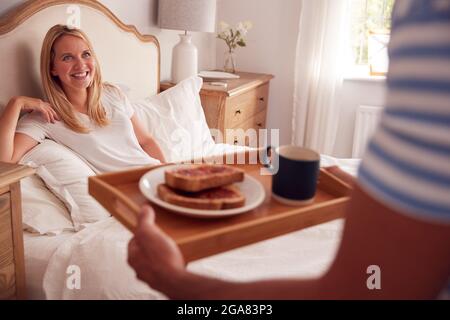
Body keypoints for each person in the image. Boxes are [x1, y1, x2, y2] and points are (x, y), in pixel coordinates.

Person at [127, 0, 450, 299]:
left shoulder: (430, 17)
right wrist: (356, 190)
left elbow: (358, 292)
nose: (80, 65)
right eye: (71, 57)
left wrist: (174, 280)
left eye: (85, 55)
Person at [0, 25, 165, 171]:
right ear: (52, 68)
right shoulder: (46, 117)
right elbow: (5, 161)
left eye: (86, 54)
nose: (81, 65)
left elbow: (146, 141)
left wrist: (170, 174)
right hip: (125, 190)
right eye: (67, 57)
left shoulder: (112, 93)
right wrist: (16, 103)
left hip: (155, 176)